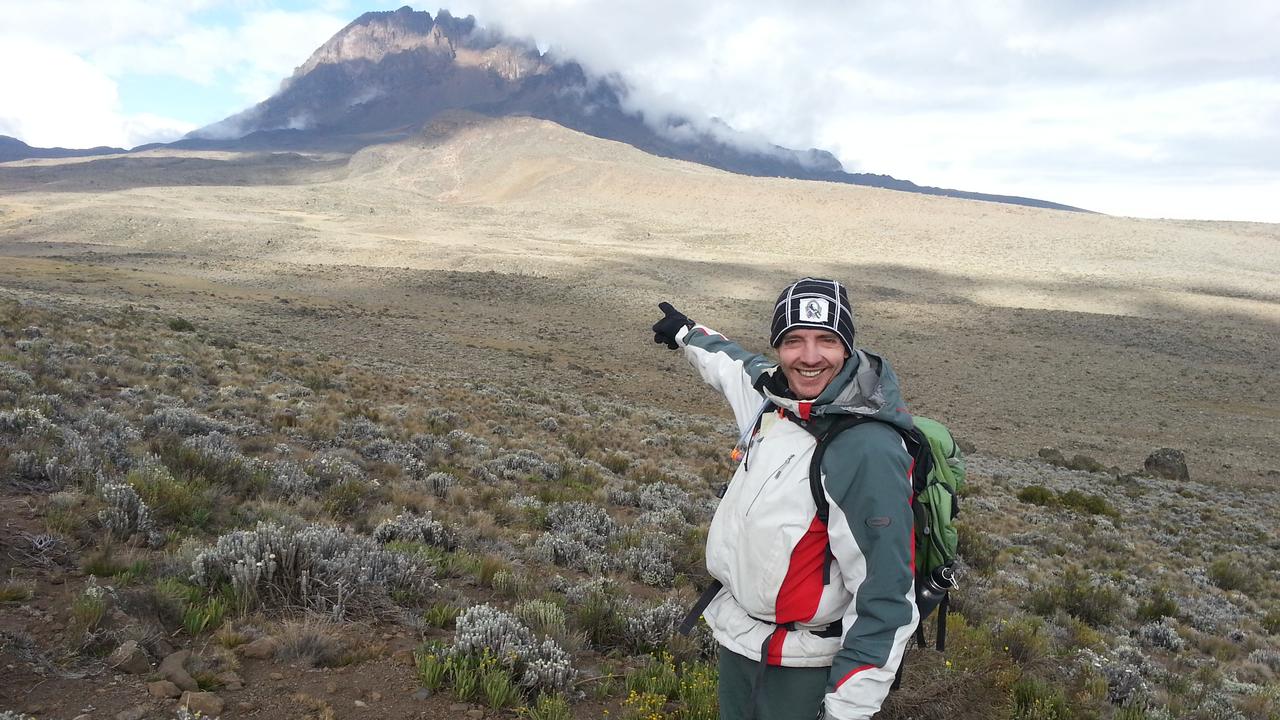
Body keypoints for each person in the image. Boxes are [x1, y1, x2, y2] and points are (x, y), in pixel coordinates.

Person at [651, 278, 918, 720]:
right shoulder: (775, 401)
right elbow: (734, 364)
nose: (809, 357)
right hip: (740, 642)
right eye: (793, 340)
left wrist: (846, 711)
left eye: (826, 341)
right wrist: (686, 333)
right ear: (778, 348)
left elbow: (886, 598)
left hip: (804, 668)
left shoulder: (866, 450)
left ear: (847, 347)